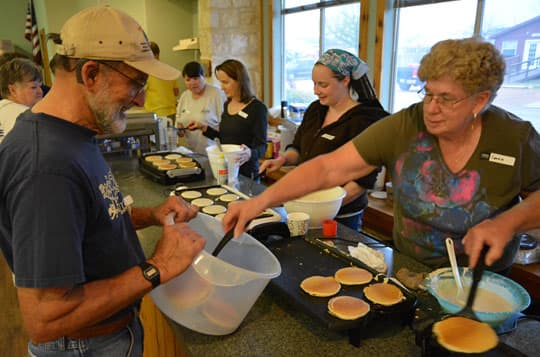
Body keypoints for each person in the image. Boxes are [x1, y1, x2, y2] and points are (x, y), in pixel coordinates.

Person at [223, 37, 540, 274]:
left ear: (479, 100)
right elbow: (328, 169)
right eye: (428, 93)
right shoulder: (406, 125)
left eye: (446, 99)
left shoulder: (514, 137)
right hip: (410, 270)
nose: (431, 108)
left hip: (482, 282)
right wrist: (259, 202)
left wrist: (509, 223)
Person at [0, 5, 205, 356]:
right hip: (87, 346)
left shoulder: (72, 134)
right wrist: (158, 267)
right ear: (91, 73)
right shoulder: (46, 167)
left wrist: (151, 214)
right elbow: (45, 318)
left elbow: (89, 220)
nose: (141, 98)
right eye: (136, 83)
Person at [259, 49, 389, 231]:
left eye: (323, 85)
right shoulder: (316, 109)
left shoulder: (366, 120)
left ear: (345, 81)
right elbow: (298, 149)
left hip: (341, 216)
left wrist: (325, 207)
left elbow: (362, 182)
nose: (316, 91)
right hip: (307, 205)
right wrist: (281, 160)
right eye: (314, 84)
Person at [187, 59, 267, 179]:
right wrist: (203, 127)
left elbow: (262, 146)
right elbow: (225, 138)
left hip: (246, 175)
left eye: (225, 82)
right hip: (225, 170)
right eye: (220, 82)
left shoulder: (257, 108)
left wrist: (250, 153)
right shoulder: (227, 104)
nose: (222, 87)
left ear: (239, 81)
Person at [175, 61, 226, 154]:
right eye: (188, 80)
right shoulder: (184, 96)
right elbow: (179, 123)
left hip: (213, 151)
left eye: (196, 78)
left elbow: (225, 126)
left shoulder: (216, 94)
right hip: (190, 152)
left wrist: (203, 126)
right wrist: (179, 129)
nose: (192, 83)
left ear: (204, 76)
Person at [0, 57, 43, 142]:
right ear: (13, 90)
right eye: (33, 87)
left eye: (40, 86)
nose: (40, 92)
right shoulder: (28, 118)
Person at [143, 41, 179, 122]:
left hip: (155, 114)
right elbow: (176, 92)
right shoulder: (170, 69)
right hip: (172, 112)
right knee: (171, 134)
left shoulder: (147, 73)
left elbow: (141, 94)